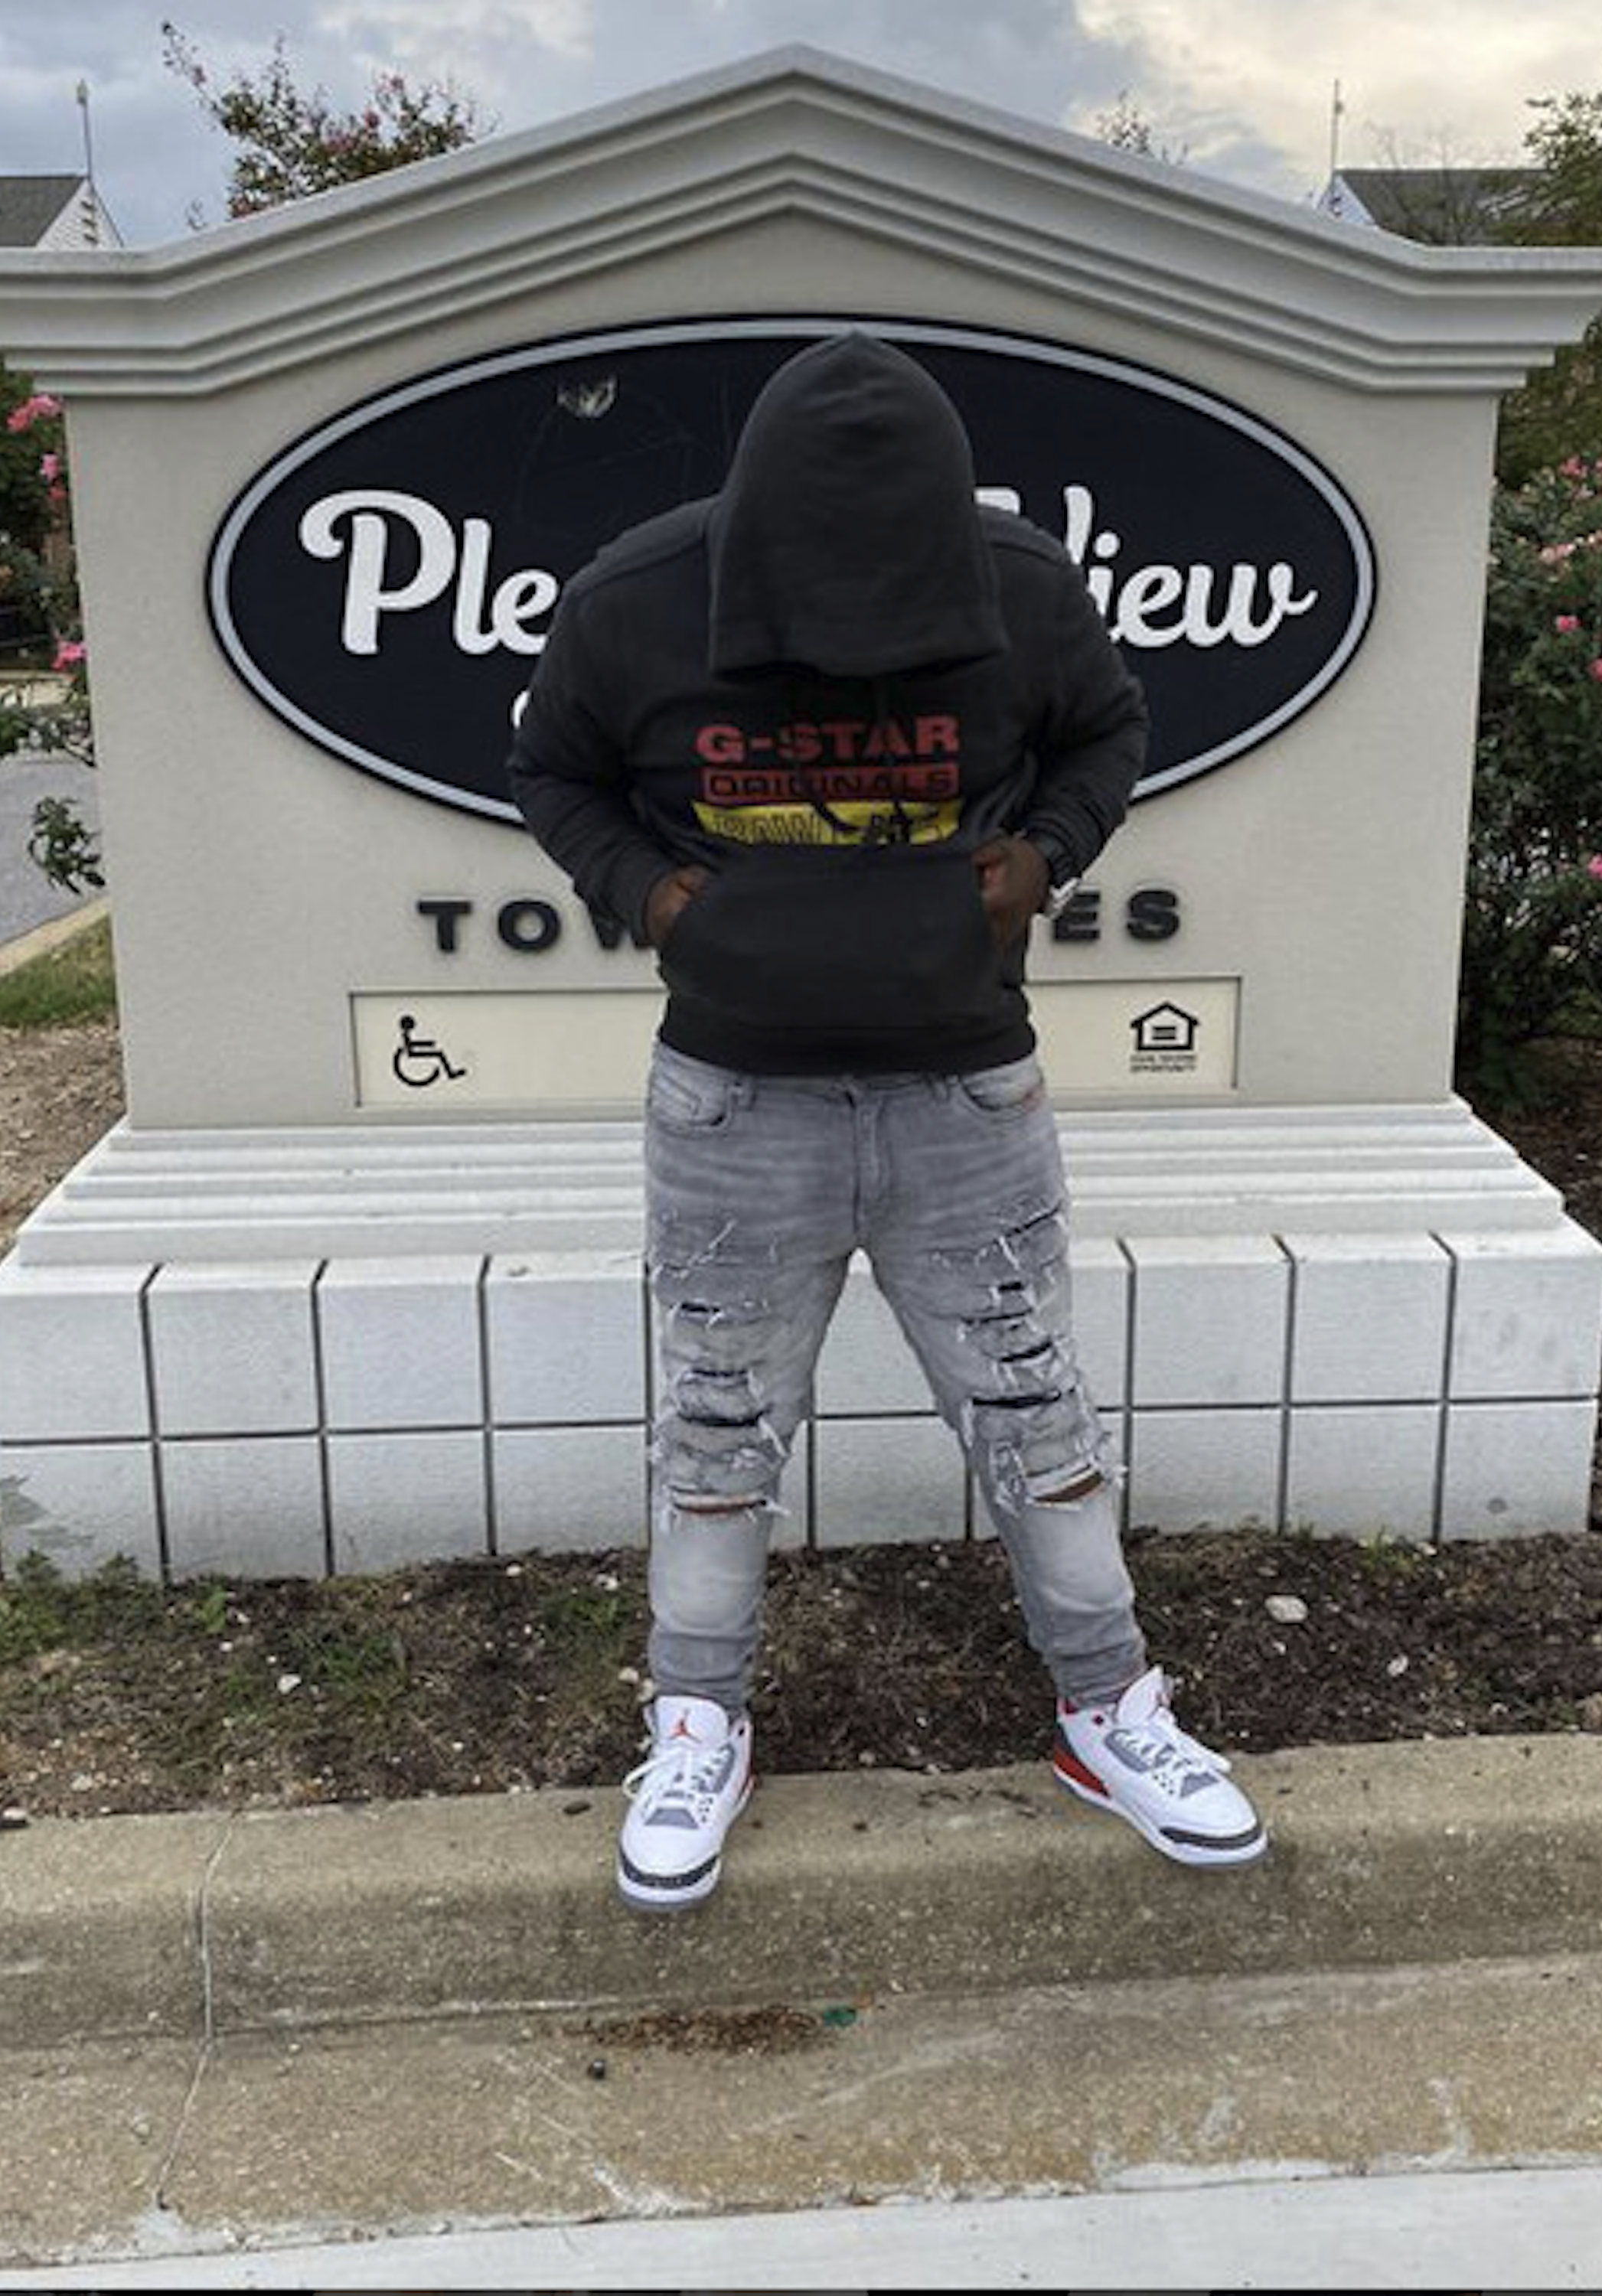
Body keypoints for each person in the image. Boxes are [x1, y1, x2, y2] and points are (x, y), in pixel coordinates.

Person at [508, 330, 1266, 1912]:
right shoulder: (639, 599)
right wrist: (652, 894)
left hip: (966, 1092)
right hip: (734, 1103)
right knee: (716, 1430)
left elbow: (1110, 729)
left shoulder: (1021, 587)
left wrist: (1044, 853)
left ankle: (1108, 1713)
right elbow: (554, 772)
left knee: (1036, 1416)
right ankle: (698, 1721)